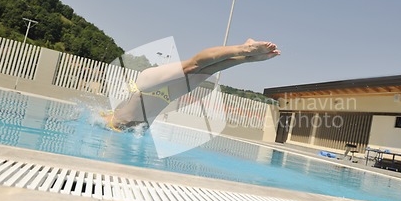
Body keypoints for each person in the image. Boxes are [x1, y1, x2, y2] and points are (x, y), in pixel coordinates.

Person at [103, 39, 280, 131]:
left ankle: (244, 49)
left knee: (192, 65)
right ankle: (250, 58)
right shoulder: (129, 130)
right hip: (165, 97)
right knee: (209, 70)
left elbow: (102, 118)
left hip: (145, 87)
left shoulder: (107, 121)